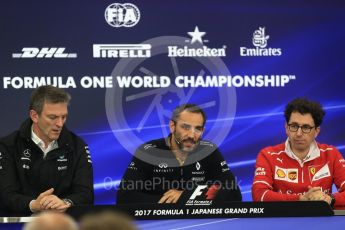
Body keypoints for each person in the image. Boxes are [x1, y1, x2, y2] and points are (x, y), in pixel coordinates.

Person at [117, 103, 242, 204]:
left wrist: (185, 196)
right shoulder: (149, 151)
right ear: (172, 126)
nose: (192, 135)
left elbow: (233, 192)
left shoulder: (209, 151)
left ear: (203, 130)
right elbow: (125, 197)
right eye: (185, 127)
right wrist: (172, 202)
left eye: (198, 129)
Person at [0, 85, 94, 216]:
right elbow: (6, 194)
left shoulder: (77, 146)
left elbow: (86, 193)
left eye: (64, 117)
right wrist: (34, 205)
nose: (60, 124)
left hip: (63, 225)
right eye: (53, 117)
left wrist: (65, 202)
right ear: (34, 116)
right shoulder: (8, 145)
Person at [252, 98, 345, 207]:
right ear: (286, 128)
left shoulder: (331, 154)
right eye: (294, 126)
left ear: (316, 131)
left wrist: (329, 199)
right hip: (283, 220)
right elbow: (259, 194)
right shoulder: (268, 155)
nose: (299, 133)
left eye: (306, 127)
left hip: (321, 220)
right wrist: (300, 199)